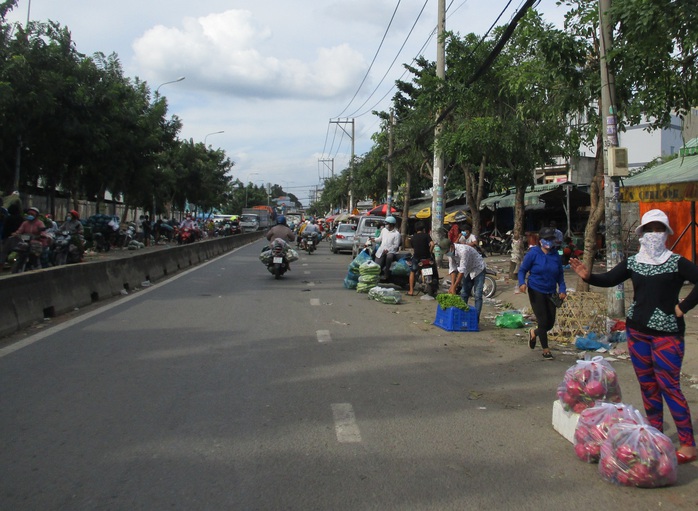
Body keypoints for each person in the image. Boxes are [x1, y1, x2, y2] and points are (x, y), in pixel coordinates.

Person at [570, 209, 698, 464]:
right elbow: (609, 278)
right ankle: (655, 434)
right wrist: (589, 276)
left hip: (668, 336)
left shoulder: (676, 262)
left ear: (666, 234)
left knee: (669, 386)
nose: (654, 235)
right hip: (637, 333)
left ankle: (687, 443)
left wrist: (682, 307)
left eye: (658, 229)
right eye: (649, 230)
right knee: (648, 386)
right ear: (641, 234)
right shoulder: (634, 262)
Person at [518, 226, 567, 359]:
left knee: (550, 323)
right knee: (543, 320)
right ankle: (546, 349)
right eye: (546, 239)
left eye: (551, 239)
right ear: (540, 240)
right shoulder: (533, 253)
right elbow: (522, 270)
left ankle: (534, 332)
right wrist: (522, 283)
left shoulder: (556, 255)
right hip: (535, 289)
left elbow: (560, 276)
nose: (549, 242)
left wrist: (562, 289)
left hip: (551, 291)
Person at [448, 235, 486, 320]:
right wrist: (452, 285)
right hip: (468, 270)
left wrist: (454, 287)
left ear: (451, 247)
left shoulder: (463, 250)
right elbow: (453, 269)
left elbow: (461, 270)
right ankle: (461, 316)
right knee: (464, 293)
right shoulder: (450, 253)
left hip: (478, 269)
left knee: (478, 295)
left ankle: (475, 319)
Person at [408, 221, 436, 296]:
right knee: (434, 268)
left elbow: (413, 248)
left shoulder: (413, 237)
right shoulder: (426, 235)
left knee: (412, 271)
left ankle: (411, 290)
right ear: (424, 229)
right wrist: (430, 252)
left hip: (417, 257)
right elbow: (432, 244)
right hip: (426, 257)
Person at [374, 216, 401, 280]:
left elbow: (396, 245)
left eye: (387, 224)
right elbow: (380, 239)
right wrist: (373, 240)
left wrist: (388, 250)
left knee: (389, 257)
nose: (386, 225)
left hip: (391, 251)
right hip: (381, 250)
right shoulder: (384, 230)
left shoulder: (397, 234)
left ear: (391, 224)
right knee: (377, 264)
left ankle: (387, 272)